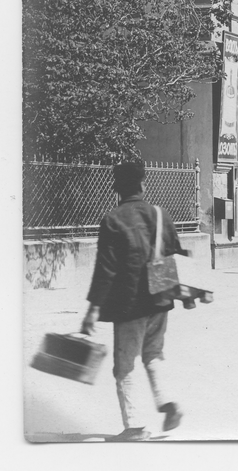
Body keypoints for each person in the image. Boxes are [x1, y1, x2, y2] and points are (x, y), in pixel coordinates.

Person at [80, 160, 185, 441]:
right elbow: (174, 250)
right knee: (153, 354)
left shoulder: (113, 219)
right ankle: (168, 402)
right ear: (142, 184)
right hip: (161, 298)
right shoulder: (160, 214)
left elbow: (106, 268)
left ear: (117, 189)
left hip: (130, 304)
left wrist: (93, 308)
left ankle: (135, 427)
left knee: (125, 365)